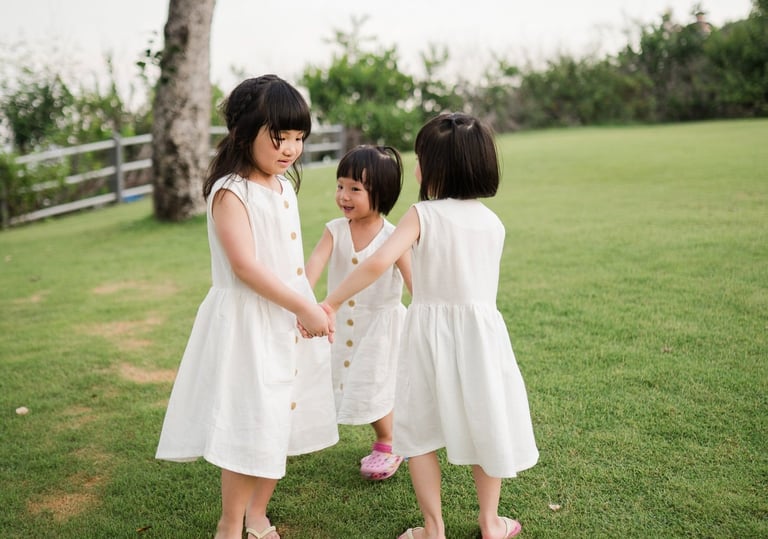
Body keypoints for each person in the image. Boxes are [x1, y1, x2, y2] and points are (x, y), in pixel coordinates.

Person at [321, 112, 539, 539]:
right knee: (484, 421)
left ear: (438, 166)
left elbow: (380, 260)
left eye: (420, 156)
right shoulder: (492, 222)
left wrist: (329, 301)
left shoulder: (422, 214)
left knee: (418, 431)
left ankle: (433, 529)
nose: (416, 165)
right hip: (481, 337)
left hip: (427, 334)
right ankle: (491, 523)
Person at [155, 75, 338, 539]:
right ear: (244, 132)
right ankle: (230, 525)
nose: (290, 149)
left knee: (281, 417)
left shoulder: (283, 188)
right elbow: (246, 268)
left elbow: (290, 264)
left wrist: (310, 306)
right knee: (250, 422)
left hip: (285, 317)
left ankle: (257, 515)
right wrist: (304, 307)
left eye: (298, 138)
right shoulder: (230, 191)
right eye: (279, 137)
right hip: (248, 322)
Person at [305, 145, 413, 481]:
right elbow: (313, 266)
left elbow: (414, 283)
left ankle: (388, 440)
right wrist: (303, 300)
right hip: (338, 325)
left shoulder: (394, 237)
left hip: (379, 326)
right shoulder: (335, 229)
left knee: (372, 385)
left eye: (355, 189)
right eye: (340, 186)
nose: (344, 196)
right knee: (340, 381)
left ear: (381, 193)